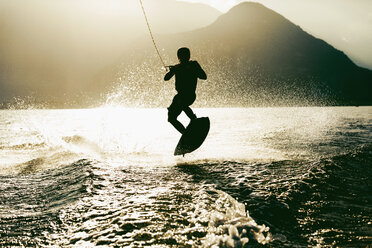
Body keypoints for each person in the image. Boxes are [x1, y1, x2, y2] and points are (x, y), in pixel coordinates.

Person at [164, 47, 207, 134]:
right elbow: (166, 78)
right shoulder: (177, 67)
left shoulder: (194, 65)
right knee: (171, 118)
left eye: (186, 56)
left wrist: (190, 69)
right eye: (182, 56)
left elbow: (204, 76)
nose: (184, 58)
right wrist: (172, 71)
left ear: (189, 56)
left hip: (190, 95)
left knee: (181, 103)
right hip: (179, 96)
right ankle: (185, 134)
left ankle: (193, 119)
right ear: (179, 57)